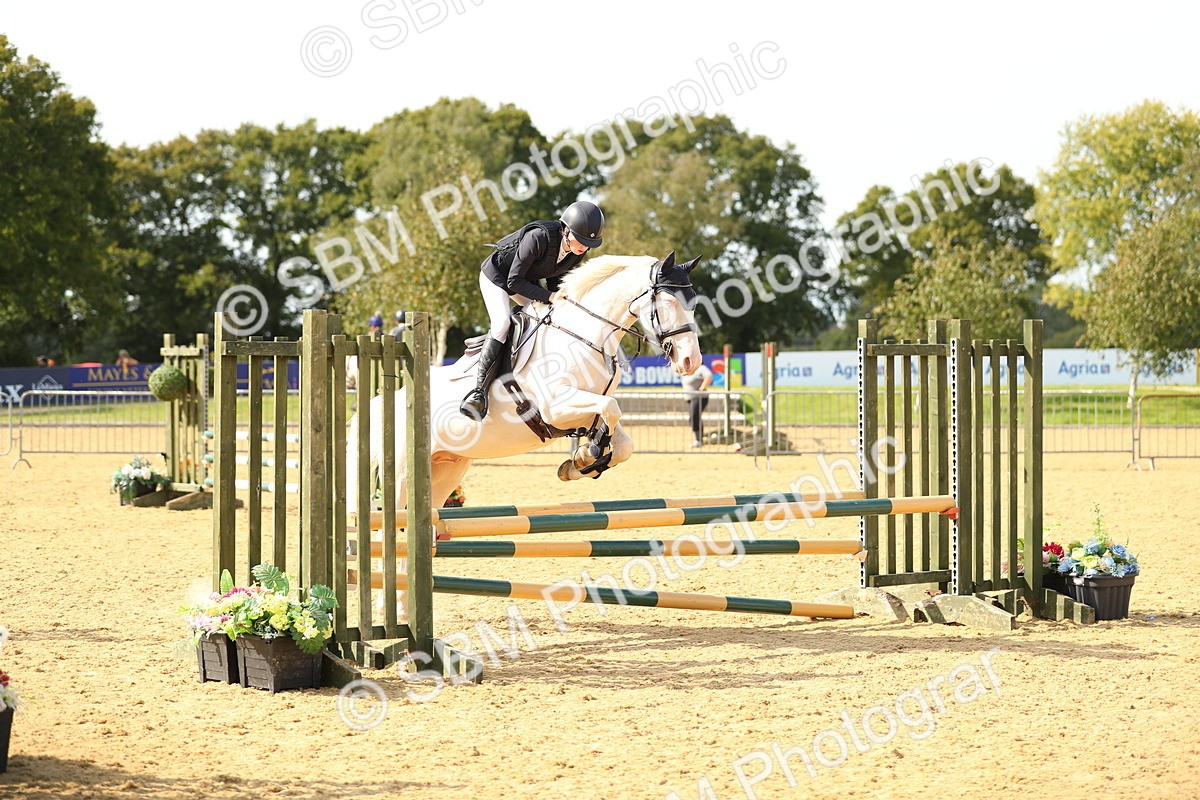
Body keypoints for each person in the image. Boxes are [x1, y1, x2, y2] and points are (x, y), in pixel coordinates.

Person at [459, 200, 606, 419]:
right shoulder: (538, 237)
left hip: (524, 281)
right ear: (566, 230)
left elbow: (556, 280)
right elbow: (513, 282)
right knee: (502, 323)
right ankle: (478, 393)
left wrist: (560, 299)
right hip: (499, 277)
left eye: (588, 244)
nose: (584, 248)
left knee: (550, 317)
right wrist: (549, 296)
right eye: (581, 240)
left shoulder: (577, 249)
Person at [682, 359, 713, 447]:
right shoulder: (690, 371)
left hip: (699, 397)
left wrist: (702, 387)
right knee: (694, 417)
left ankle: (698, 439)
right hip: (691, 398)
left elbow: (709, 376)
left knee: (694, 416)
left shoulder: (701, 368)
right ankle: (698, 437)